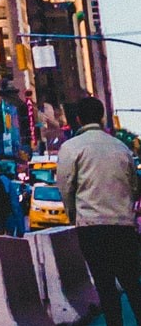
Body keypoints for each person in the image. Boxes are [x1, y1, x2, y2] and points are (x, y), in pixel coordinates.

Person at [57, 98, 141, 326]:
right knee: (133, 284)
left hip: (92, 227)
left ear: (78, 119)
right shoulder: (121, 147)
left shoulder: (72, 147)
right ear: (102, 117)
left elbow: (66, 185)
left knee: (105, 285)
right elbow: (134, 187)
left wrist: (73, 214)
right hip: (123, 226)